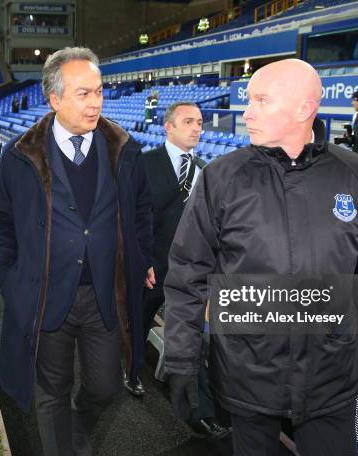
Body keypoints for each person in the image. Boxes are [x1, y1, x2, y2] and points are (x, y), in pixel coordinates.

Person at [162, 59, 358, 456]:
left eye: (262, 101)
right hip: (246, 375)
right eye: (250, 101)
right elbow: (188, 273)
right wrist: (182, 358)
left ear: (303, 109)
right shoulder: (222, 178)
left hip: (330, 380)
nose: (247, 112)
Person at [0, 47, 153, 456]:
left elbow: (142, 212)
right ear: (54, 98)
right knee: (51, 392)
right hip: (45, 297)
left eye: (98, 91)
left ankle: (81, 420)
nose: (95, 102)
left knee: (105, 385)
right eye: (83, 93)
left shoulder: (123, 150)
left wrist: (141, 257)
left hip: (104, 295)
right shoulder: (19, 155)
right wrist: (8, 276)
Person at [129, 101, 230, 440]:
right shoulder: (143, 164)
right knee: (138, 324)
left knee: (190, 343)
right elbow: (130, 217)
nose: (197, 128)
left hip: (190, 273)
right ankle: (131, 370)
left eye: (200, 122)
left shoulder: (206, 170)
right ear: (168, 127)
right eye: (188, 121)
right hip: (151, 267)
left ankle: (200, 411)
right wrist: (141, 260)